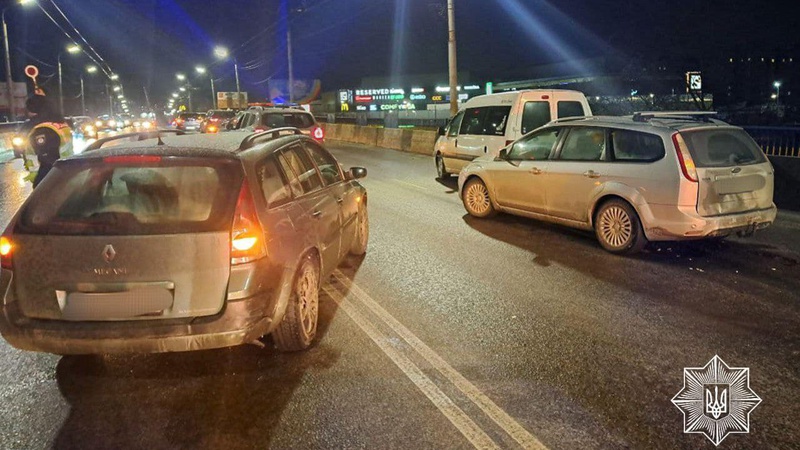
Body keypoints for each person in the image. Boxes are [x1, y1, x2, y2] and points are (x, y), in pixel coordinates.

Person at [20, 92, 73, 187]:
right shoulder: (57, 124)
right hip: (66, 172)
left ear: (35, 109)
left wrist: (40, 181)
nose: (28, 113)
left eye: (29, 109)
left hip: (51, 177)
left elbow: (47, 158)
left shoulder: (43, 130)